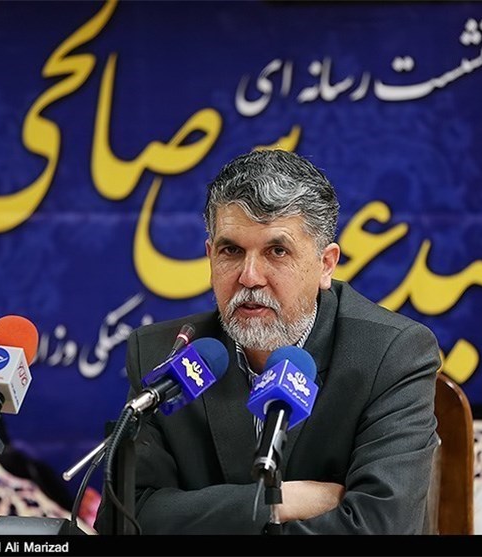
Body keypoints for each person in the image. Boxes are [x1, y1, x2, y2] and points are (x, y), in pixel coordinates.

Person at [94, 149, 441, 535]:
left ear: (325, 264)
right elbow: (123, 518)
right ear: (210, 257)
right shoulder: (167, 355)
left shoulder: (391, 354)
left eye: (277, 251)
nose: (250, 277)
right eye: (231, 251)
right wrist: (277, 503)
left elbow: (381, 527)